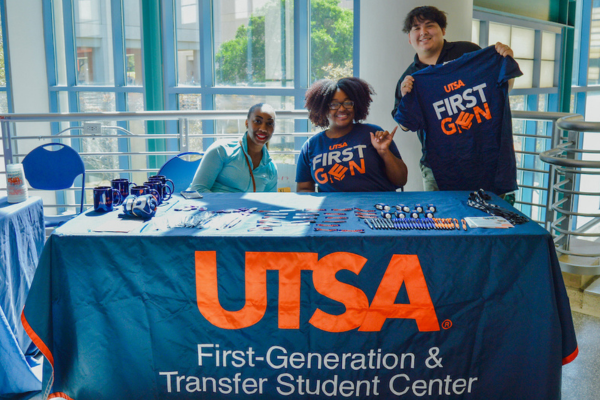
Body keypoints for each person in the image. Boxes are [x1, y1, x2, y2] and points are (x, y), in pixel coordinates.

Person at [391, 5, 514, 192]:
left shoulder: (469, 53)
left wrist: (506, 59)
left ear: (443, 30)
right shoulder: (410, 78)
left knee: (489, 219)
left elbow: (500, 89)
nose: (423, 32)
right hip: (439, 169)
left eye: (429, 25)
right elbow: (405, 125)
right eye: (416, 28)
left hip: (484, 157)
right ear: (409, 38)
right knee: (443, 220)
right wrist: (407, 96)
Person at [296, 77, 407, 192]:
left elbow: (401, 180)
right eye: (334, 104)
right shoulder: (311, 146)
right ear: (323, 108)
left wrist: (384, 152)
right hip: (333, 209)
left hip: (377, 207)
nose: (342, 108)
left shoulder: (373, 134)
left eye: (348, 103)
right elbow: (304, 188)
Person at [188, 103, 278, 193]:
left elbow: (269, 201)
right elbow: (198, 190)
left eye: (269, 123)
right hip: (212, 206)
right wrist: (224, 206)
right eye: (258, 121)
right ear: (247, 123)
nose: (263, 128)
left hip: (248, 207)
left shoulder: (271, 168)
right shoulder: (221, 149)